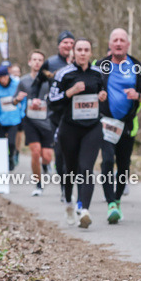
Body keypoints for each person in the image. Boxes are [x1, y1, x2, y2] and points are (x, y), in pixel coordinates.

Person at [48, 39, 107, 228]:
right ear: (73, 53)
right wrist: (70, 92)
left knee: (86, 167)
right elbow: (51, 100)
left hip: (92, 126)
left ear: (90, 53)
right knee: (70, 170)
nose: (82, 53)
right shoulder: (64, 74)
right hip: (69, 128)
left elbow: (103, 95)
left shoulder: (98, 73)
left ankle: (84, 209)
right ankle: (68, 201)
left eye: (86, 50)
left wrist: (102, 97)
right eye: (79, 49)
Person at [98, 28, 141, 223]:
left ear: (128, 44)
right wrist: (98, 95)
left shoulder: (137, 66)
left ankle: (117, 199)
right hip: (105, 122)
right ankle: (110, 202)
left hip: (127, 124)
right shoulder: (101, 65)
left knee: (124, 165)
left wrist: (137, 95)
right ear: (110, 44)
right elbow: (91, 89)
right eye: (115, 40)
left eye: (122, 40)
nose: (118, 43)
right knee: (107, 160)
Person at [17, 50, 55, 195]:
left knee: (46, 156)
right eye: (34, 59)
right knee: (35, 152)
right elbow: (14, 100)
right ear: (29, 62)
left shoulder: (49, 80)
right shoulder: (23, 81)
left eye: (40, 60)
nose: (37, 62)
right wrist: (18, 99)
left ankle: (45, 166)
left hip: (47, 121)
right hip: (31, 121)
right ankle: (38, 185)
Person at [47, 32, 77, 200]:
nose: (68, 45)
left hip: (77, 116)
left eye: (71, 42)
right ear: (59, 45)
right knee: (60, 154)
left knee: (75, 155)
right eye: (65, 42)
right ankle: (64, 187)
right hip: (56, 115)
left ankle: (74, 189)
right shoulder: (50, 63)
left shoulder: (82, 64)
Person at [0, 66, 23, 170]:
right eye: (0, 77)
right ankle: (5, 160)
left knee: (12, 142)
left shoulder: (16, 85)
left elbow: (23, 100)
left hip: (14, 119)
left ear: (8, 76)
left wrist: (21, 114)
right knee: (3, 143)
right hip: (1, 120)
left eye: (4, 77)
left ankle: (11, 156)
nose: (3, 80)